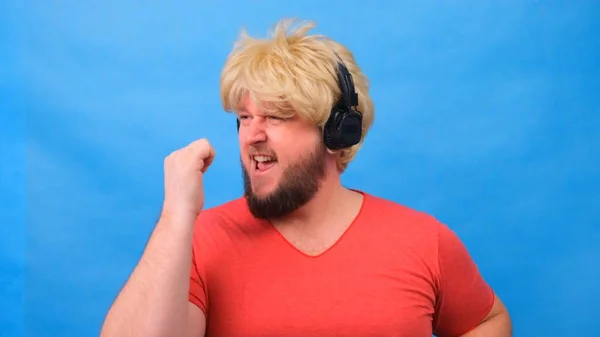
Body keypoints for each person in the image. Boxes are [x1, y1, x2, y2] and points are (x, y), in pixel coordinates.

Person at [100, 18, 512, 337]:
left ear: (338, 132)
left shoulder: (424, 241)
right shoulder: (199, 241)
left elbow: (487, 319)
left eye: (276, 116)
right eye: (244, 118)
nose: (252, 135)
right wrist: (176, 215)